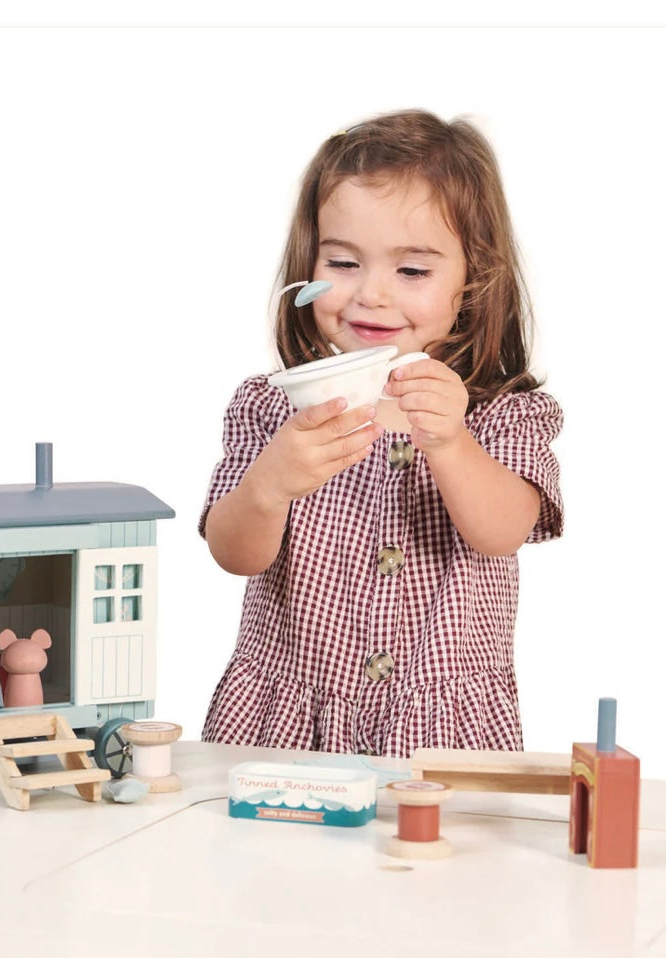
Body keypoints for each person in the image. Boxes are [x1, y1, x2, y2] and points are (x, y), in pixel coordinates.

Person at [200, 109, 563, 757]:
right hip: (290, 720)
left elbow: (502, 531)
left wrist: (452, 444)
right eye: (343, 262)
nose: (371, 294)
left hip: (438, 725)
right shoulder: (268, 407)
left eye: (413, 272)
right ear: (307, 270)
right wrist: (268, 486)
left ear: (470, 285)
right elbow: (234, 553)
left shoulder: (504, 413)